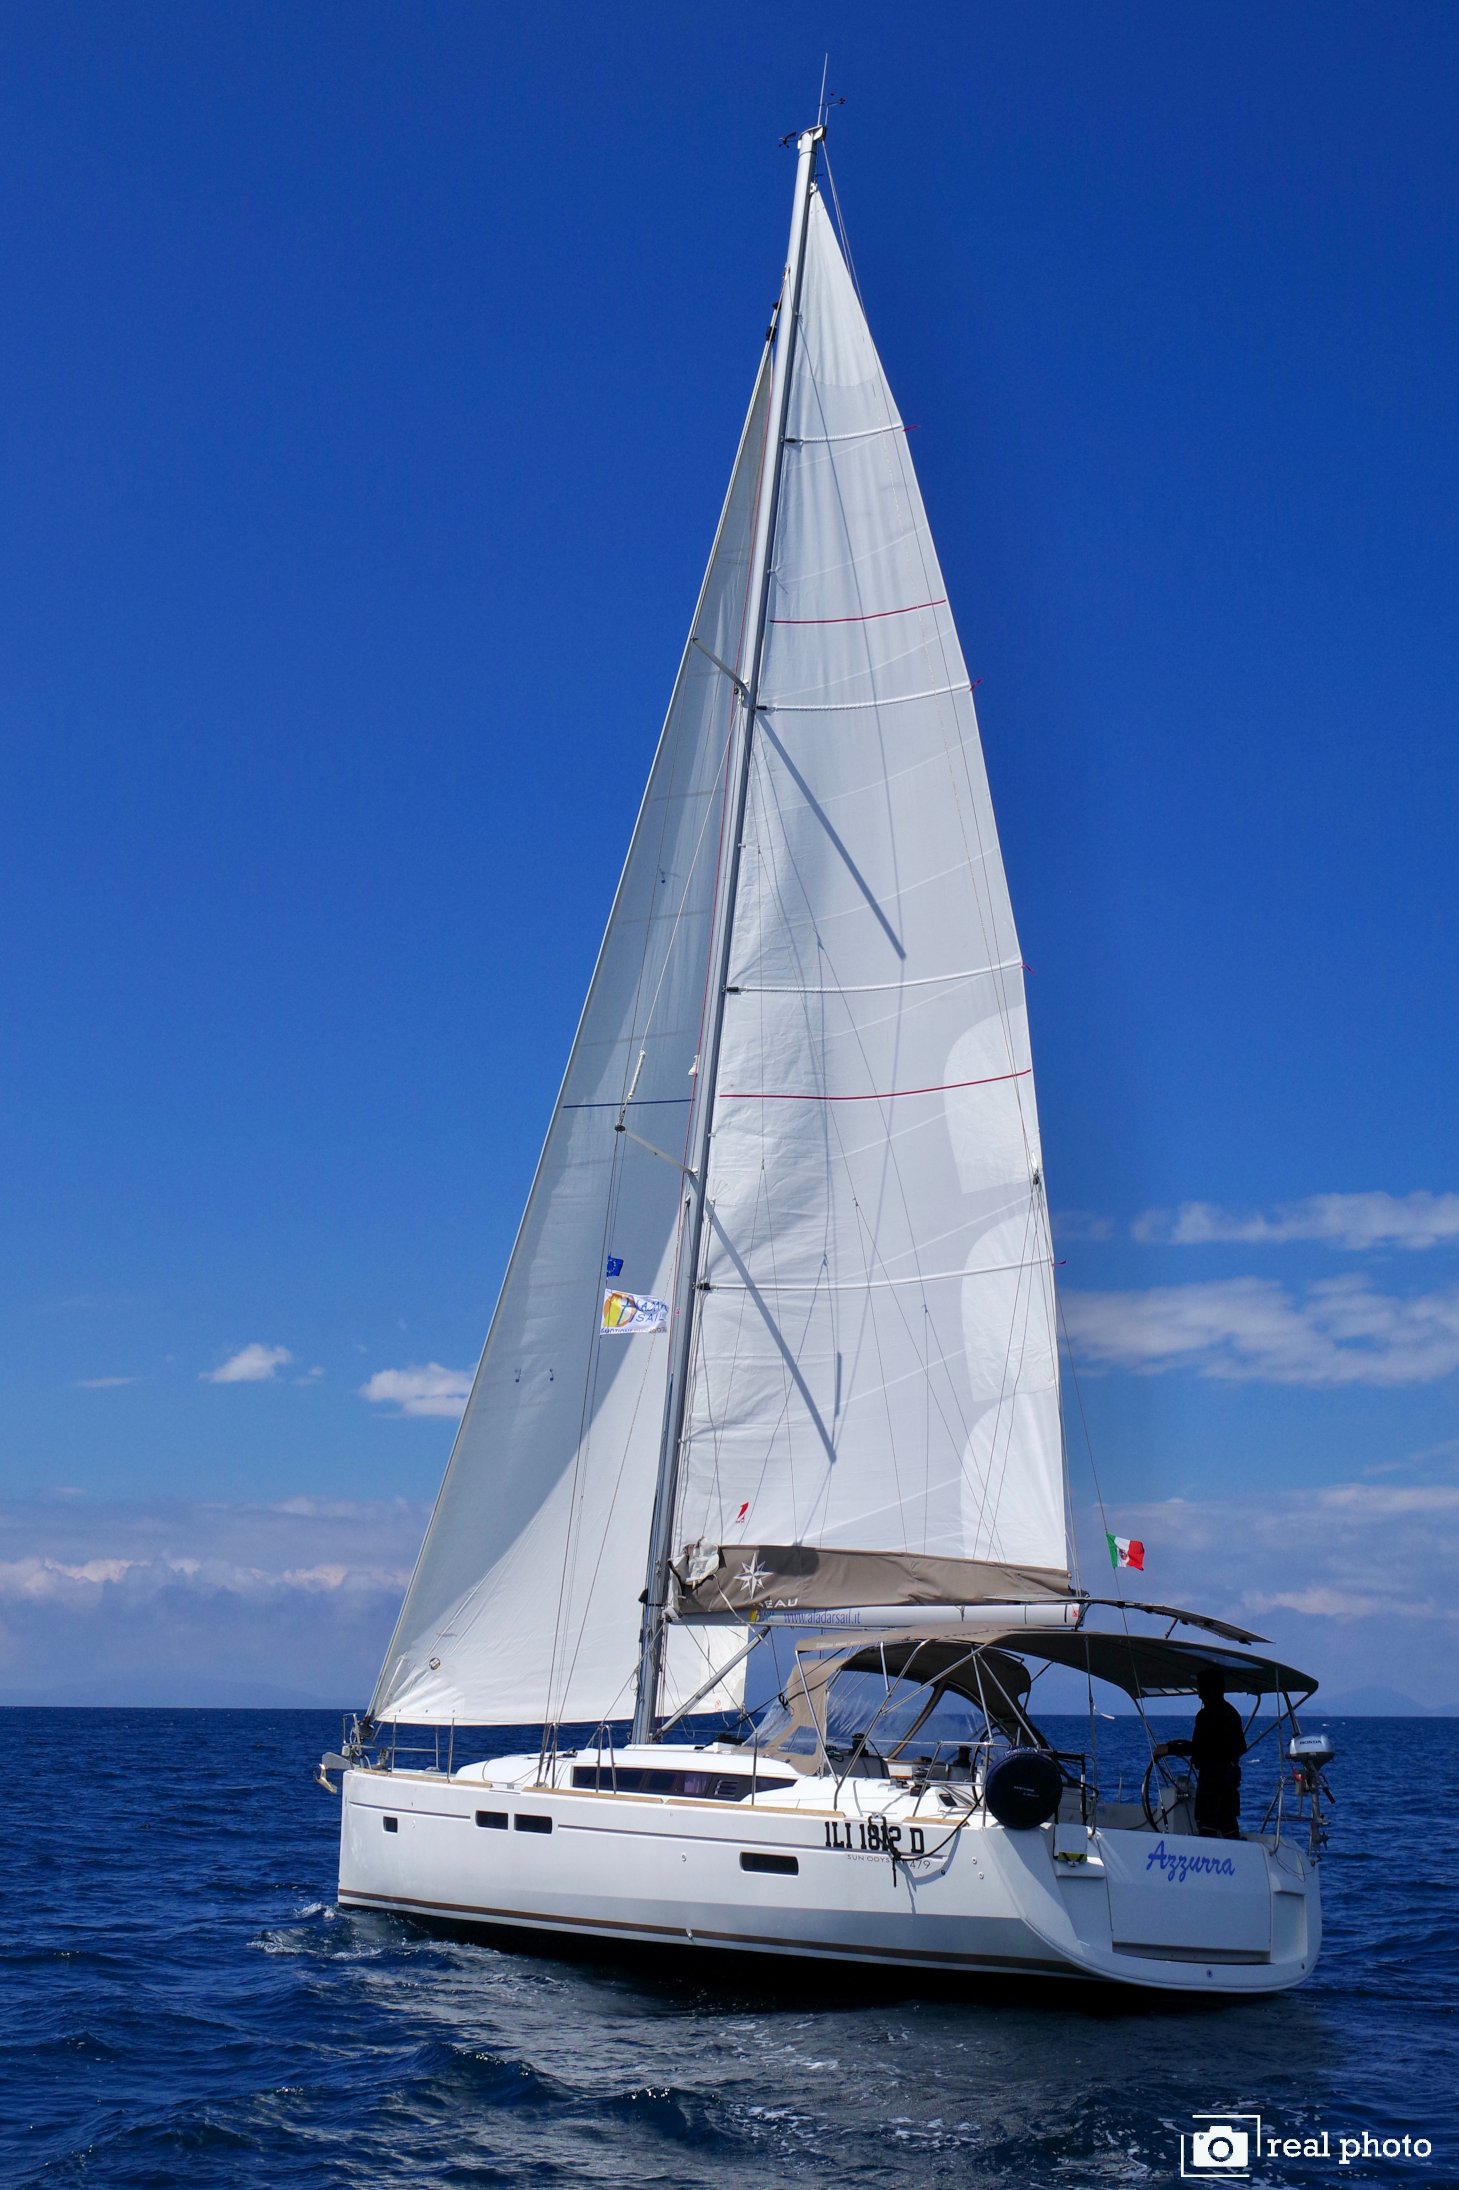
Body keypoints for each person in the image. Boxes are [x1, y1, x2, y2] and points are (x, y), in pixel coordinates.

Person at [1154, 1668, 1246, 1838]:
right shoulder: (1232, 1713)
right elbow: (1241, 1747)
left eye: (1202, 1690)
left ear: (1209, 1690)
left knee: (1207, 1822)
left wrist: (1169, 1749)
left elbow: (1199, 1747)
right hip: (1231, 1776)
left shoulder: (1206, 1715)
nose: (1199, 1696)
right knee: (1228, 1821)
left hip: (1213, 1777)